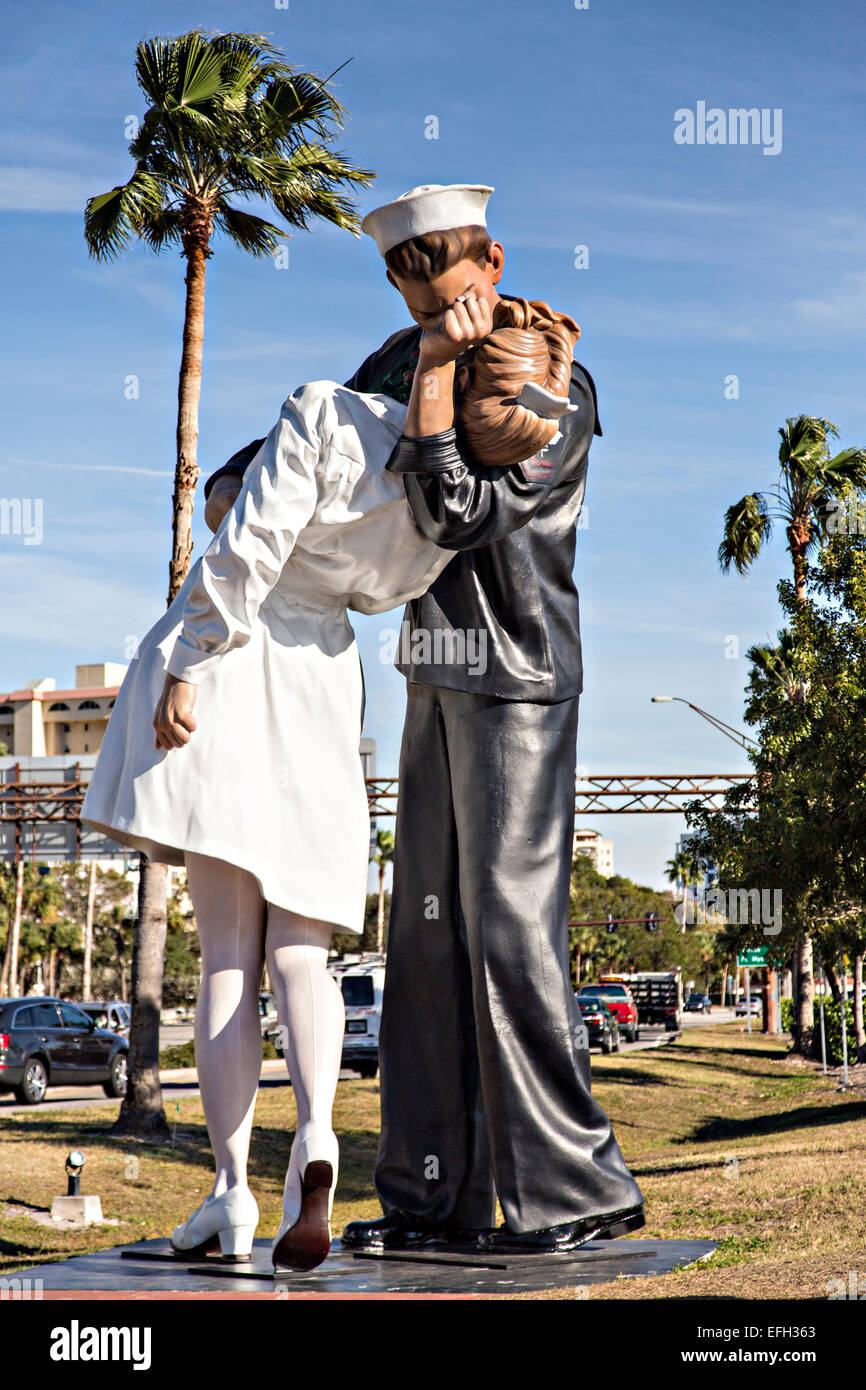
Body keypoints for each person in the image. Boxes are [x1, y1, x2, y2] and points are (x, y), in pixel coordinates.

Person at [83, 224, 586, 1270]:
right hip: (324, 680)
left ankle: (230, 1194)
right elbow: (375, 575)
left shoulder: (326, 409)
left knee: (228, 951)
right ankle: (315, 1135)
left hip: (241, 656)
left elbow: (248, 545)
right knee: (301, 951)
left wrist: (186, 657)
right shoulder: (429, 508)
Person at [205, 183, 645, 1257]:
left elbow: (458, 512)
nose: (428, 319)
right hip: (430, 676)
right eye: (409, 300)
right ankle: (428, 1198)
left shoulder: (555, 381)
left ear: (491, 260)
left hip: (517, 677)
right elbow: (257, 470)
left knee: (507, 935)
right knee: (425, 943)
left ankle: (576, 1193)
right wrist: (249, 494)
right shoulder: (396, 365)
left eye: (443, 293)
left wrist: (444, 377)